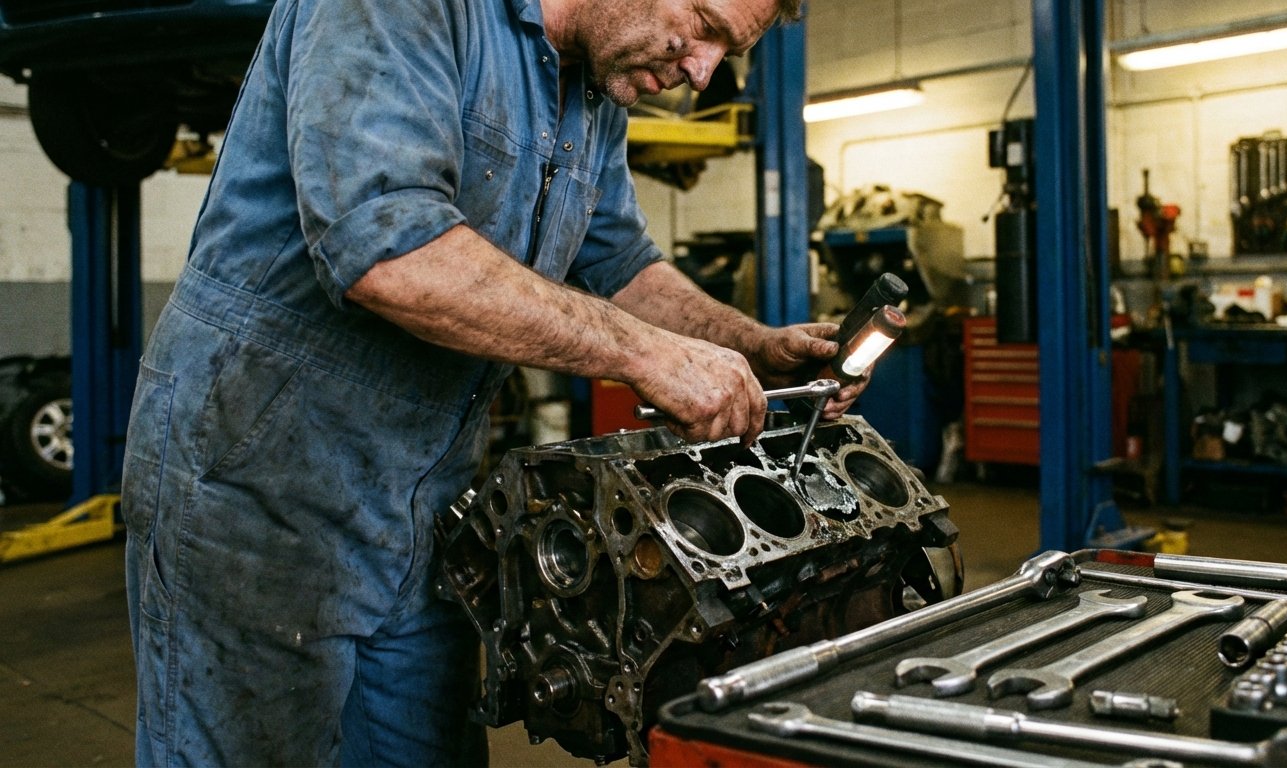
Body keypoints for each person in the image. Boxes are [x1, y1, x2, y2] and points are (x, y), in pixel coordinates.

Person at [122, 0, 868, 764]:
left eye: (725, 50)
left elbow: (618, 262)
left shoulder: (593, 81)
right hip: (260, 478)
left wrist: (748, 346)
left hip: (425, 504)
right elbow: (390, 253)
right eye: (704, 24)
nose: (702, 71)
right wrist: (652, 357)